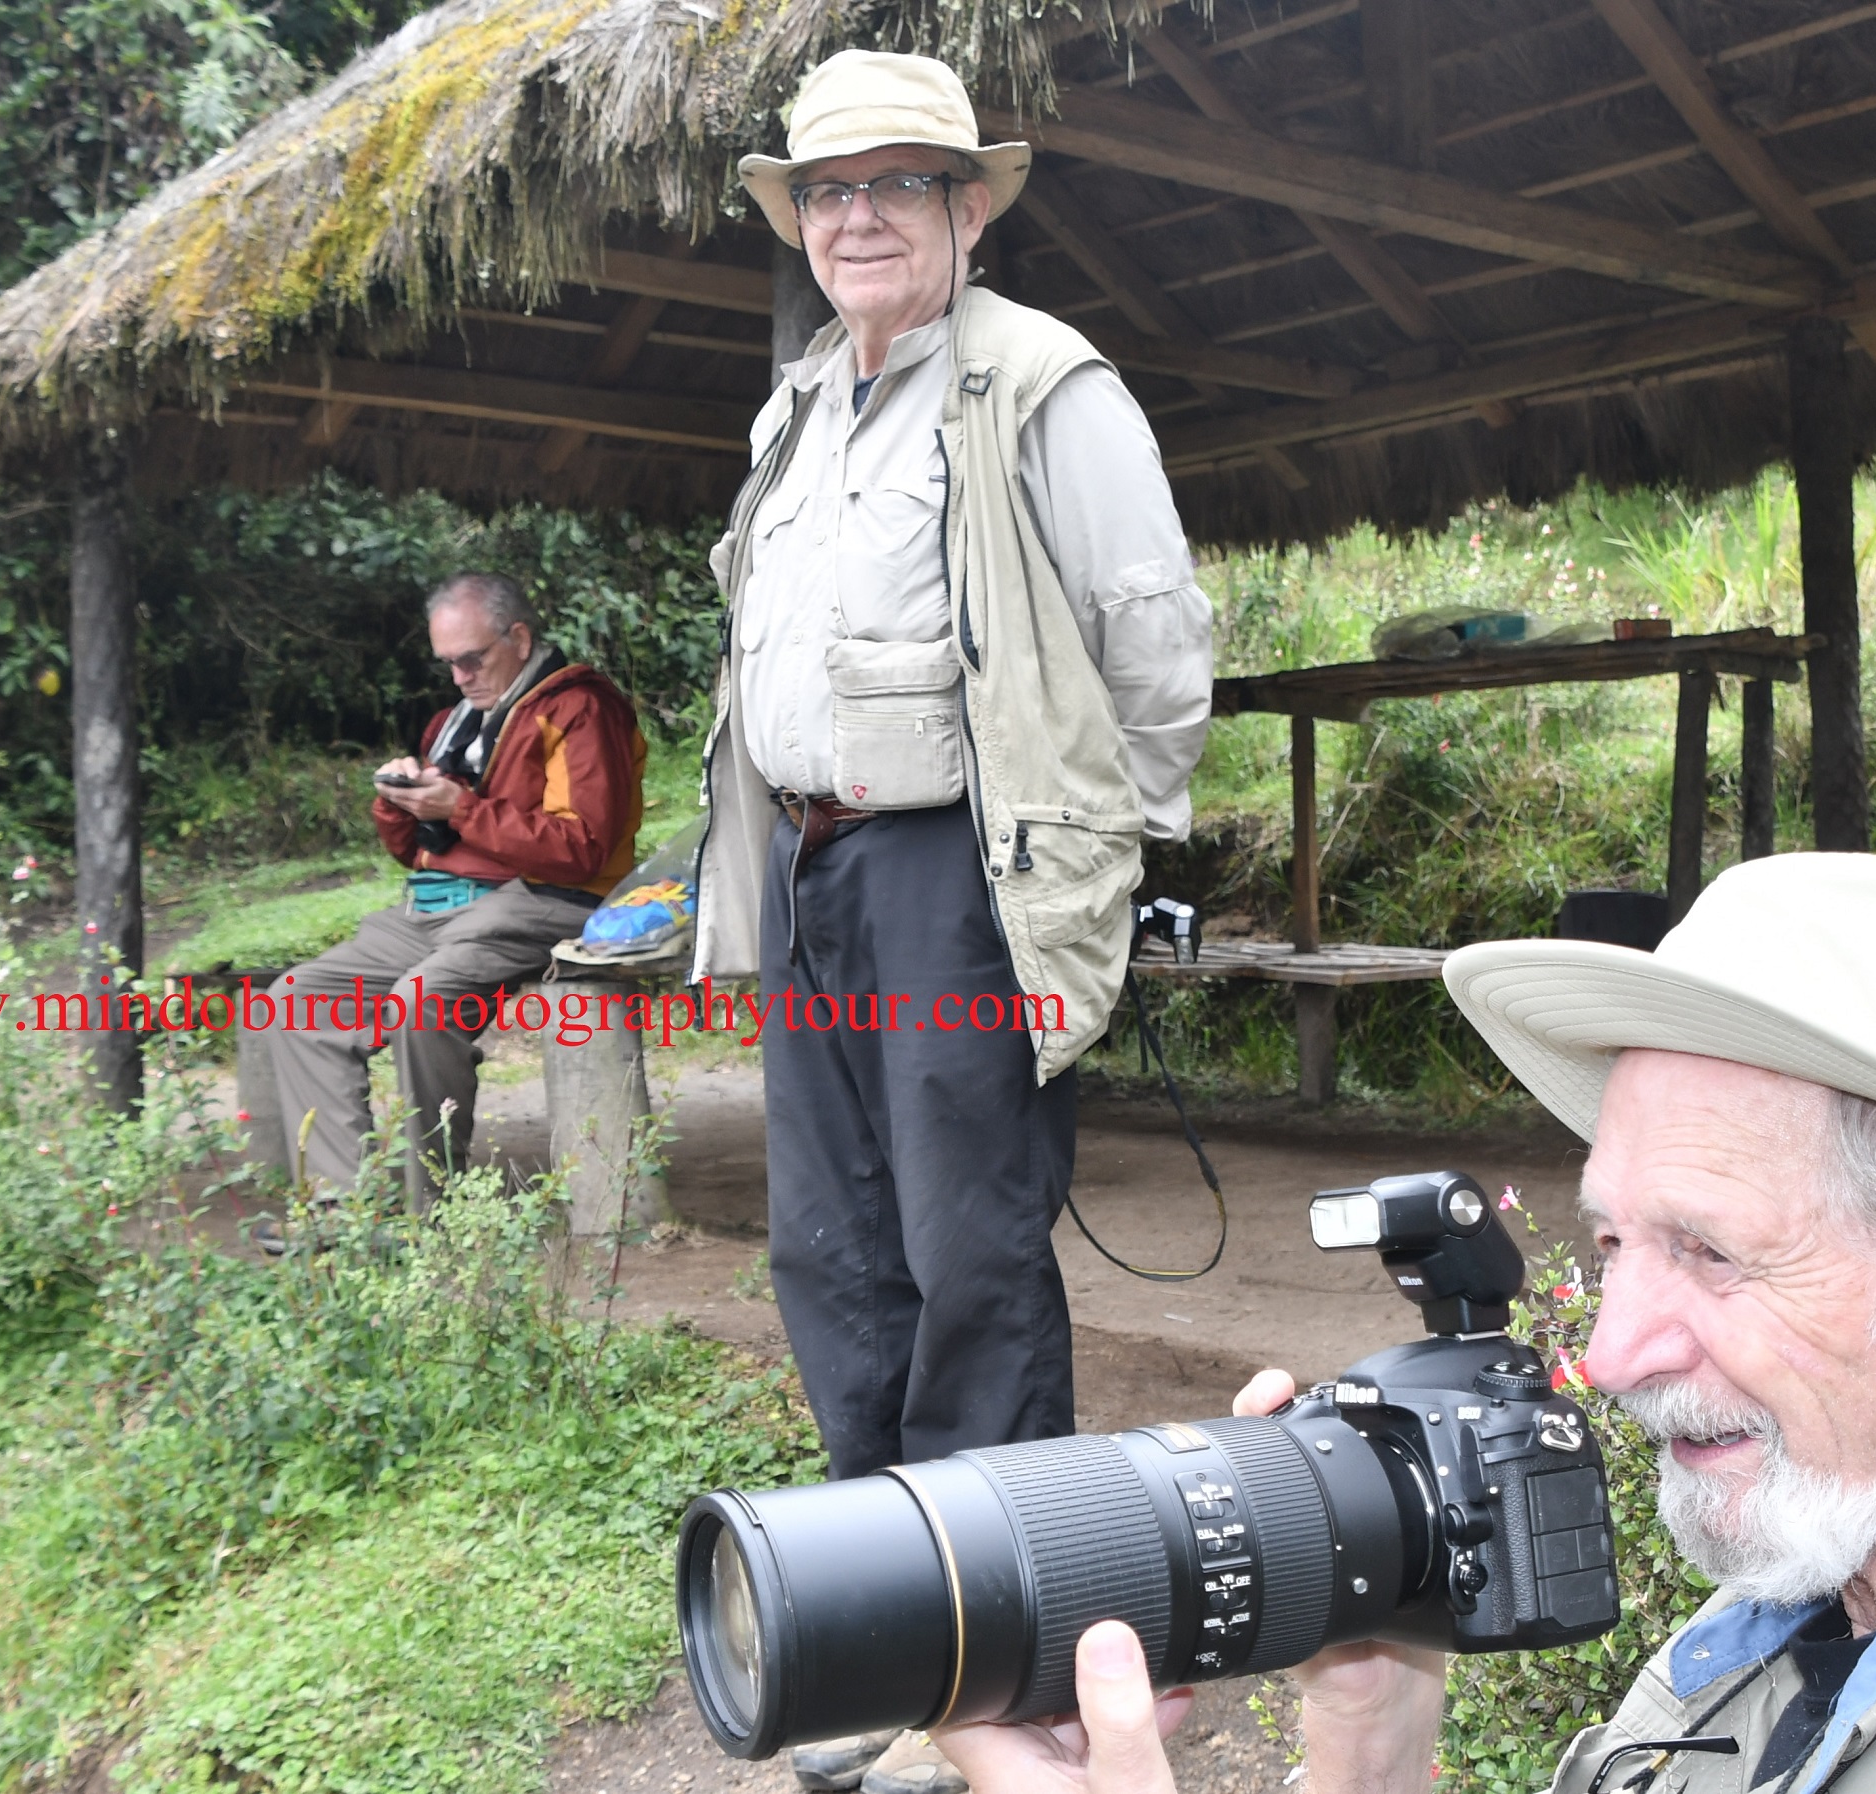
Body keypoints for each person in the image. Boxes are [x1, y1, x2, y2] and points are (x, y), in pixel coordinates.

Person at [939, 854, 1876, 1794]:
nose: (1614, 1350)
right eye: (1617, 1240)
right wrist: (1375, 1747)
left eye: (1711, 1250)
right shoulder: (1854, 1566)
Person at [695, 47, 1214, 1794]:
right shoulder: (796, 405)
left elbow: (1148, 631)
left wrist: (1112, 858)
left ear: (964, 208)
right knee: (835, 1253)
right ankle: (879, 1625)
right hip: (815, 867)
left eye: (894, 185)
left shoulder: (1037, 381)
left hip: (957, 873)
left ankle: (998, 1672)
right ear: (801, 219)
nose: (854, 215)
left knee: (968, 1250)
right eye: (827, 191)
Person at [262, 571, 645, 1211]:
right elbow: (416, 851)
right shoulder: (455, 722)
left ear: (519, 638)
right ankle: (347, 1213)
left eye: (473, 658)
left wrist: (462, 809)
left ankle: (428, 1215)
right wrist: (401, 800)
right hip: (437, 906)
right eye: (448, 663)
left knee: (422, 1004)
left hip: (546, 900)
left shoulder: (579, 708)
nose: (460, 676)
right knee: (294, 1001)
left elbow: (583, 849)